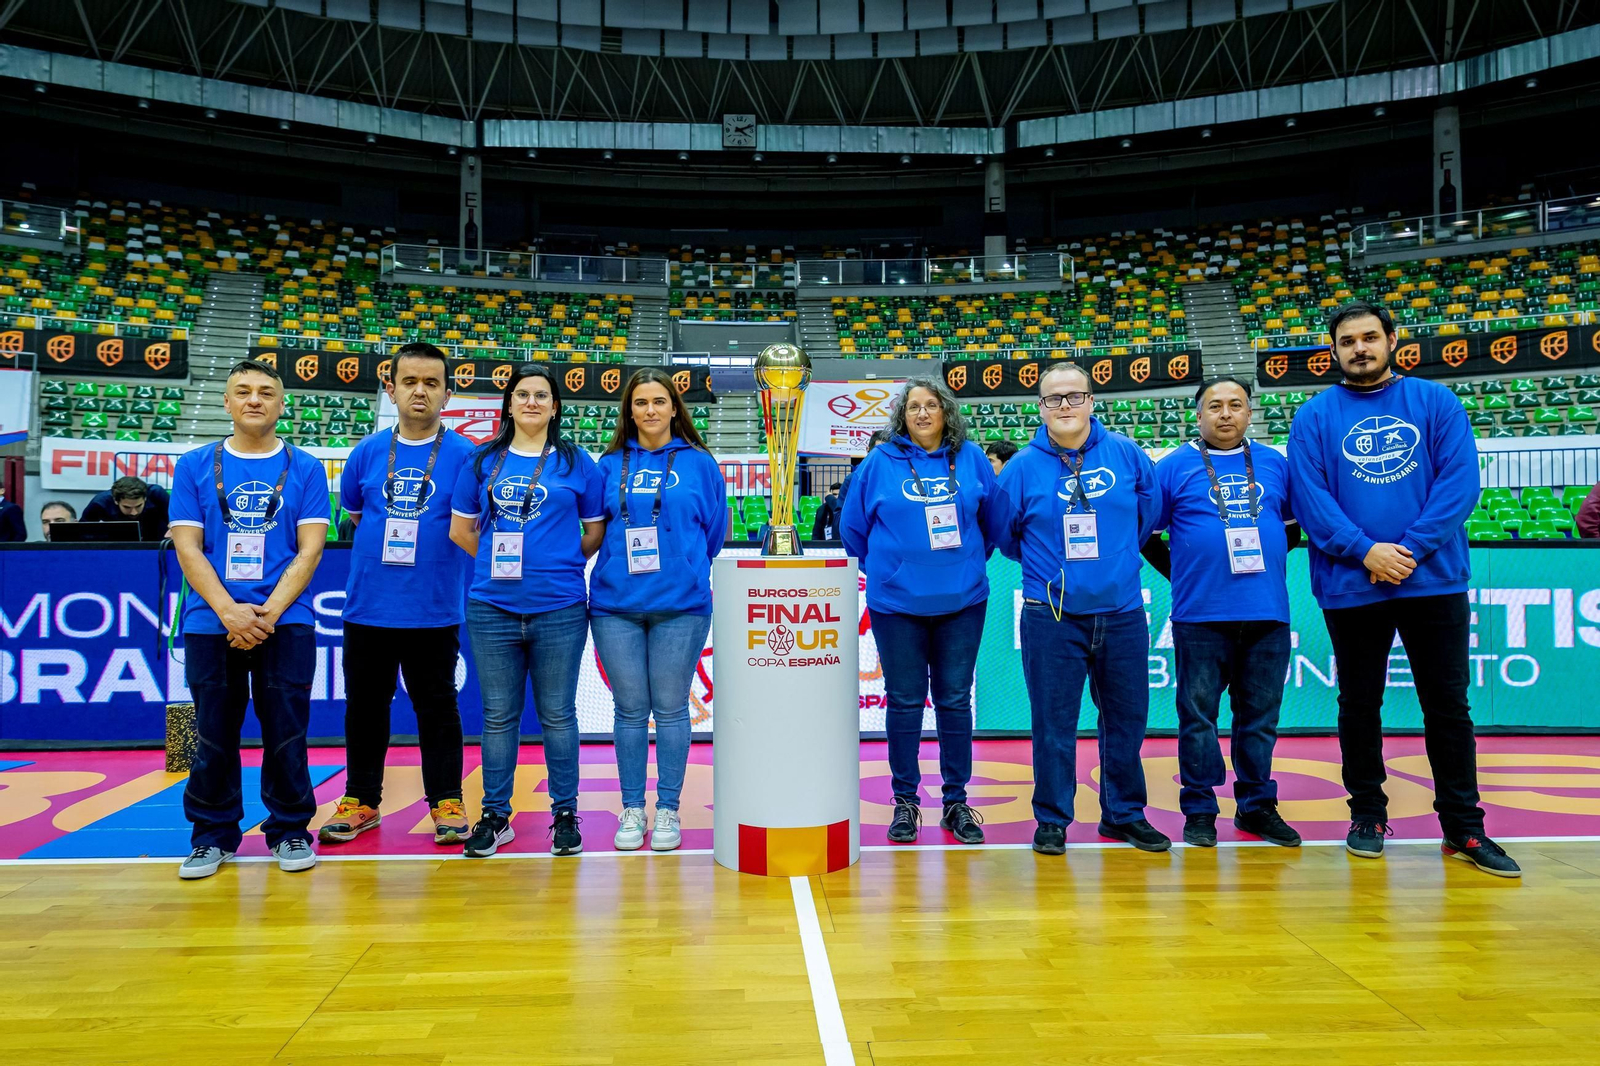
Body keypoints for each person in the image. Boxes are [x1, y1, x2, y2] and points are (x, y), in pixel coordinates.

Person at [1289, 301, 1519, 877]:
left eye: (1369, 337)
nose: (1359, 349)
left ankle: (1463, 827)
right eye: (1348, 341)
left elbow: (1460, 484)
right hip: (1351, 581)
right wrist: (1364, 550)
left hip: (1432, 580)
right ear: (1334, 350)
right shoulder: (1314, 415)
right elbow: (1311, 500)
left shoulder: (1436, 401)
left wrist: (1407, 550)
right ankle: (1367, 814)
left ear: (1392, 340)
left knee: (1447, 705)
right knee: (1358, 703)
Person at [983, 361, 1167, 855]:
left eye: (1074, 395)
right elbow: (1005, 536)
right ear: (1040, 407)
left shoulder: (1127, 453)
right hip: (1052, 615)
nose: (1064, 405)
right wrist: (1052, 569)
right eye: (1053, 398)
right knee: (1053, 723)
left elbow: (1147, 517)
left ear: (1091, 400)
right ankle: (1052, 818)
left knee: (1126, 720)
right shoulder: (1021, 468)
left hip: (1122, 611)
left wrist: (1112, 562)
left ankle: (1123, 814)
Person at [167, 359, 330, 879]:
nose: (254, 399)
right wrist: (228, 612)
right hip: (211, 621)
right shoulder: (194, 464)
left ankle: (290, 830)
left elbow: (310, 550)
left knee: (287, 732)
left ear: (282, 404)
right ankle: (211, 837)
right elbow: (188, 548)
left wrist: (267, 614)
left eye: (265, 391)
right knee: (211, 734)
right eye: (242, 391)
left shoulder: (306, 467)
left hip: (286, 621)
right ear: (227, 402)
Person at [318, 343, 476, 849]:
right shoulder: (366, 452)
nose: (420, 391)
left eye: (431, 382)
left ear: (447, 394)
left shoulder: (467, 457)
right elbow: (357, 515)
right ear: (391, 389)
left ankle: (446, 800)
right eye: (409, 381)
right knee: (365, 706)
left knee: (438, 707)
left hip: (433, 608)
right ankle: (361, 799)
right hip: (369, 606)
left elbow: (470, 525)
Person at [449, 364, 604, 858]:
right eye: (522, 394)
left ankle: (565, 813)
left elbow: (595, 531)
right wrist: (498, 566)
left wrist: (557, 563)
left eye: (541, 395)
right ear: (509, 404)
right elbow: (460, 531)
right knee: (499, 716)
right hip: (492, 607)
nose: (531, 402)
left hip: (559, 607)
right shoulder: (481, 461)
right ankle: (496, 815)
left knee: (558, 714)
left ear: (555, 407)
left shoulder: (577, 462)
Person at [1144, 377, 1302, 849]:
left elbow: (1292, 528)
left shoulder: (1275, 463)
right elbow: (1147, 536)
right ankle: (1199, 809)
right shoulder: (1172, 467)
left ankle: (1256, 807)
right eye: (1215, 406)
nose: (1226, 413)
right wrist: (1184, 574)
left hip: (1267, 613)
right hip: (1200, 615)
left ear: (1250, 413)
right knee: (1198, 718)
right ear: (1198, 416)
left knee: (1260, 719)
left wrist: (1264, 564)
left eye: (1236, 404)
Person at [840, 378, 997, 844]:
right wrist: (889, 568)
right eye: (913, 407)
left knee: (954, 700)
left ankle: (956, 802)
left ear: (946, 411)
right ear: (902, 417)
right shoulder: (879, 463)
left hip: (963, 601)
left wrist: (966, 563)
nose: (923, 413)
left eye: (932, 405)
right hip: (897, 604)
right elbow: (853, 530)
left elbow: (992, 522)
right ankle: (905, 801)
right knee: (905, 701)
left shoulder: (971, 458)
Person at [590, 367, 726, 852]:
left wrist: (682, 566)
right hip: (615, 605)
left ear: (674, 408)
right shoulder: (607, 464)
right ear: (629, 411)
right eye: (641, 402)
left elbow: (713, 533)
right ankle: (632, 808)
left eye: (659, 401)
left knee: (670, 709)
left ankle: (668, 808)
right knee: (629, 710)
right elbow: (595, 527)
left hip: (681, 606)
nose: (650, 410)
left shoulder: (700, 463)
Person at [81, 475, 170, 540]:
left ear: (145, 498)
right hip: (117, 544)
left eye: (139, 506)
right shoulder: (100, 503)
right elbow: (82, 531)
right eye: (127, 507)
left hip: (158, 542)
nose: (134, 512)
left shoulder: (157, 494)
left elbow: (175, 520)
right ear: (116, 501)